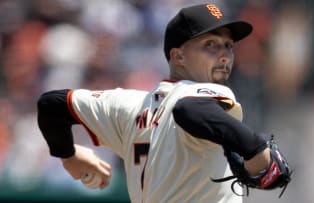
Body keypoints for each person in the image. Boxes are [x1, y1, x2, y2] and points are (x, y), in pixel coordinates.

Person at [37, 3, 274, 203]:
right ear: (178, 55)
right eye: (210, 44)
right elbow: (188, 109)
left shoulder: (128, 105)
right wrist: (255, 149)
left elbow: (51, 105)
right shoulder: (208, 93)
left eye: (229, 46)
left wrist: (68, 155)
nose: (224, 55)